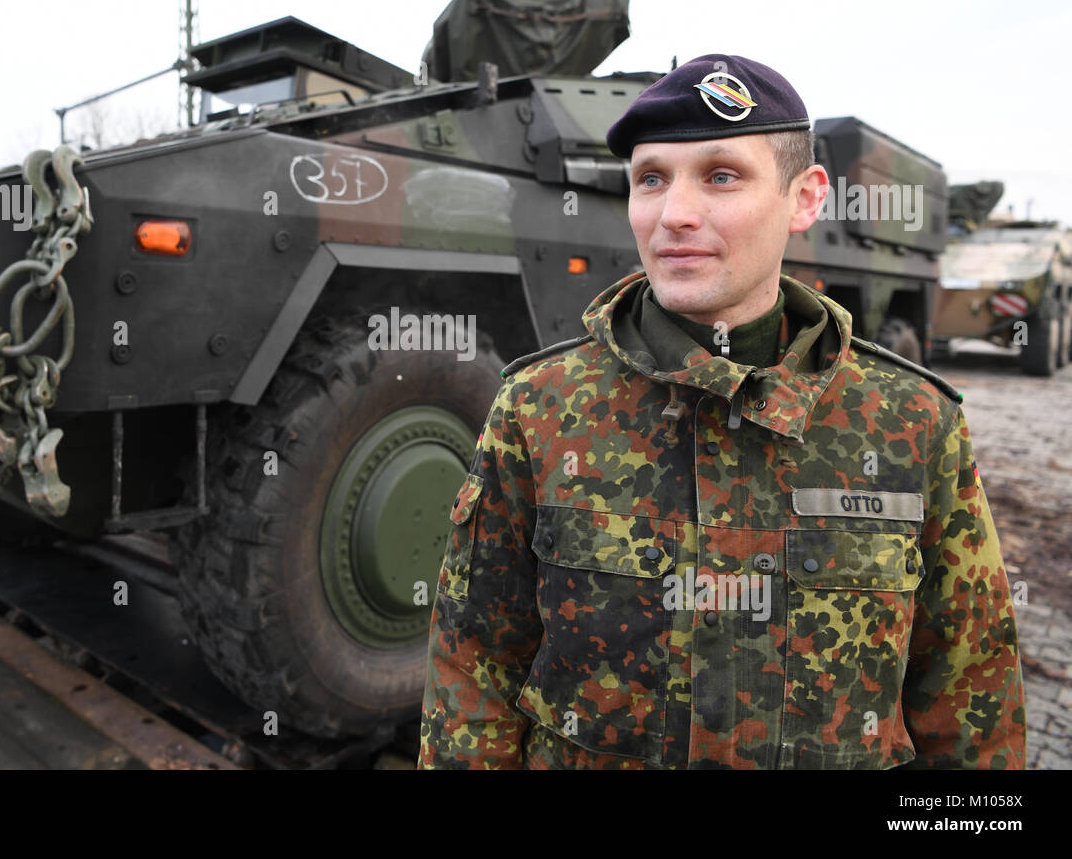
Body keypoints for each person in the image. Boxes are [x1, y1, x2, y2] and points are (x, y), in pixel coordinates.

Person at [417, 54, 1025, 769]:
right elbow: (475, 668)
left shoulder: (912, 421)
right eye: (651, 180)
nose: (674, 215)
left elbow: (971, 693)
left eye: (721, 176)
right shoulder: (539, 409)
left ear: (804, 199)